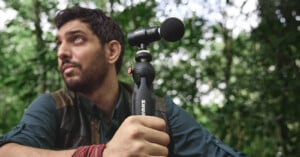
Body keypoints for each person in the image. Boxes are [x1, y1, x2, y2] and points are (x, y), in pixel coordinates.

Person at [0, 6, 246, 157]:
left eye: (76, 40)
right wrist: (100, 154)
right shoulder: (53, 107)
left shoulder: (160, 111)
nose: (61, 52)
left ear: (112, 52)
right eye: (59, 43)